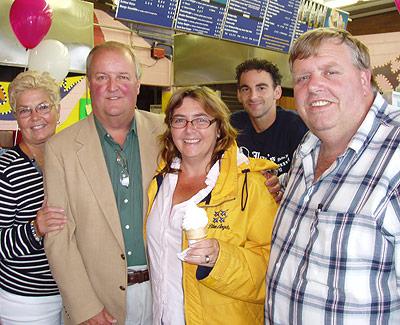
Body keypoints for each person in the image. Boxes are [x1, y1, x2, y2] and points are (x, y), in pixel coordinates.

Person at [266, 28, 400, 323]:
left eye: (330, 72)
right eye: (303, 78)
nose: (314, 87)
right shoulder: (308, 147)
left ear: (364, 79)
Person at [43, 41, 165, 325]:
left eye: (122, 77)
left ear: (137, 84)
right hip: (98, 301)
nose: (113, 86)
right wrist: (85, 306)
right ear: (89, 85)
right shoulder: (61, 148)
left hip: (163, 292)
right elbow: (59, 237)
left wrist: (260, 177)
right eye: (101, 77)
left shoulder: (167, 132)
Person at [146, 86, 278, 324]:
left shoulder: (251, 185)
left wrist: (221, 258)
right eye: (180, 120)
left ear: (219, 128)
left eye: (201, 120)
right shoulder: (159, 181)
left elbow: (275, 269)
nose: (189, 129)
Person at [0, 71, 67, 324]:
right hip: (27, 301)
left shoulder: (69, 159)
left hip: (71, 292)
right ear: (16, 117)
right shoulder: (7, 169)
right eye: (25, 110)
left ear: (58, 111)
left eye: (42, 107)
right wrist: (35, 228)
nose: (35, 117)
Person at [231, 58, 308, 176]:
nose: (253, 96)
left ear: (277, 92)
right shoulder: (231, 126)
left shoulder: (297, 127)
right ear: (239, 95)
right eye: (246, 89)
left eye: (261, 88)